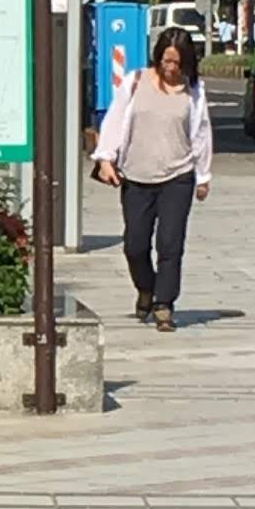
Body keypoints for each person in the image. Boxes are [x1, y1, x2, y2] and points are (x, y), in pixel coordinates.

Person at [91, 25, 212, 329]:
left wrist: (203, 175)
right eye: (166, 60)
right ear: (157, 57)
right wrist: (105, 158)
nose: (170, 68)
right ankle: (146, 287)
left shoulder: (194, 91)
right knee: (135, 245)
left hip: (177, 176)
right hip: (136, 176)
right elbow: (114, 121)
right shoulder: (135, 81)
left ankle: (164, 304)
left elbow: (201, 133)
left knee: (170, 244)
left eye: (177, 63)